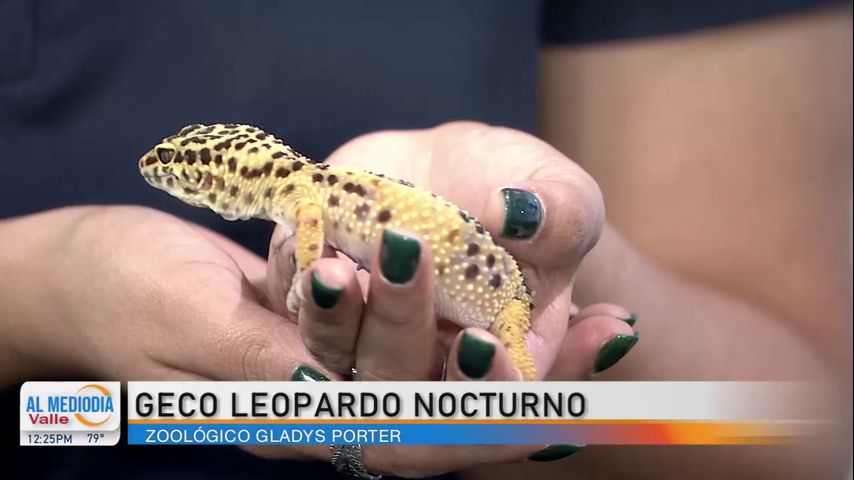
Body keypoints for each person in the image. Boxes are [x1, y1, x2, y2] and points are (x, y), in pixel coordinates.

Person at [0, 1, 850, 479]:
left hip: (496, 308)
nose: (182, 182)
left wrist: (569, 260)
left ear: (228, 179)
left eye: (188, 173)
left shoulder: (303, 204)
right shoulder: (307, 201)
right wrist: (41, 295)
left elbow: (795, 430)